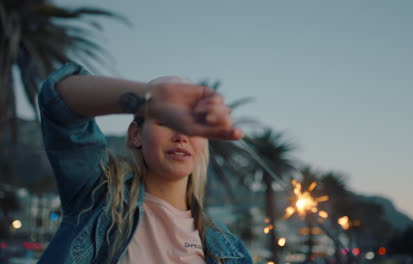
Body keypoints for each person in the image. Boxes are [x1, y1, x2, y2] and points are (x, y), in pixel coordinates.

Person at [37, 62, 253, 264]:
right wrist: (156, 97)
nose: (181, 136)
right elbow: (57, 101)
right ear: (135, 135)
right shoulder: (98, 198)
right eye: (166, 121)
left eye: (193, 127)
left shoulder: (230, 250)